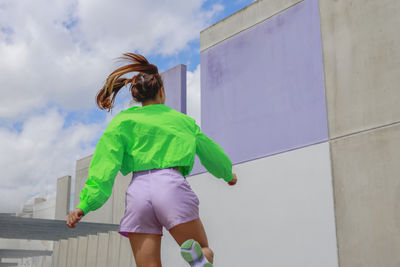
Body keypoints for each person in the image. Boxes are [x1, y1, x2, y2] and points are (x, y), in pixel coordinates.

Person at [66, 53, 238, 267]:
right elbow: (210, 152)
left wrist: (85, 205)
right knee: (204, 249)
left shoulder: (122, 122)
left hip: (138, 193)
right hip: (171, 185)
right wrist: (227, 173)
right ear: (161, 91)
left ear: (136, 95)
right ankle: (198, 258)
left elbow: (104, 167)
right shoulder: (182, 121)